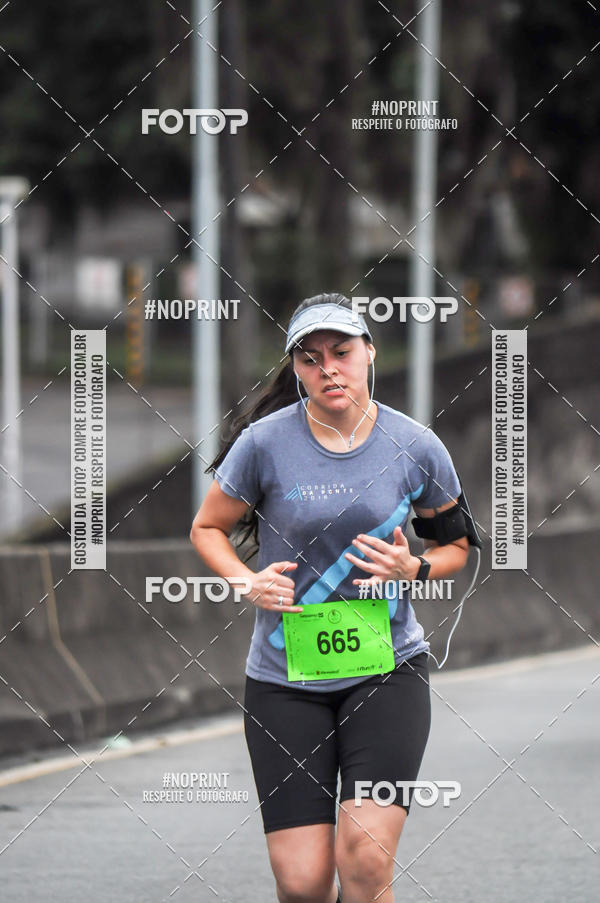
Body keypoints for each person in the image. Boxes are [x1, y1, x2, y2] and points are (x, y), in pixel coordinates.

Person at [190, 292, 470, 903]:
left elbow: (458, 547)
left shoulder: (415, 445)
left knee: (365, 861)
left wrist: (413, 567)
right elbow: (207, 528)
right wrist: (248, 581)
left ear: (369, 352)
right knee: (303, 882)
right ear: (296, 369)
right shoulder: (264, 443)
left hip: (386, 669)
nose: (329, 370)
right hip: (283, 678)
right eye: (311, 359)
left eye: (342, 352)